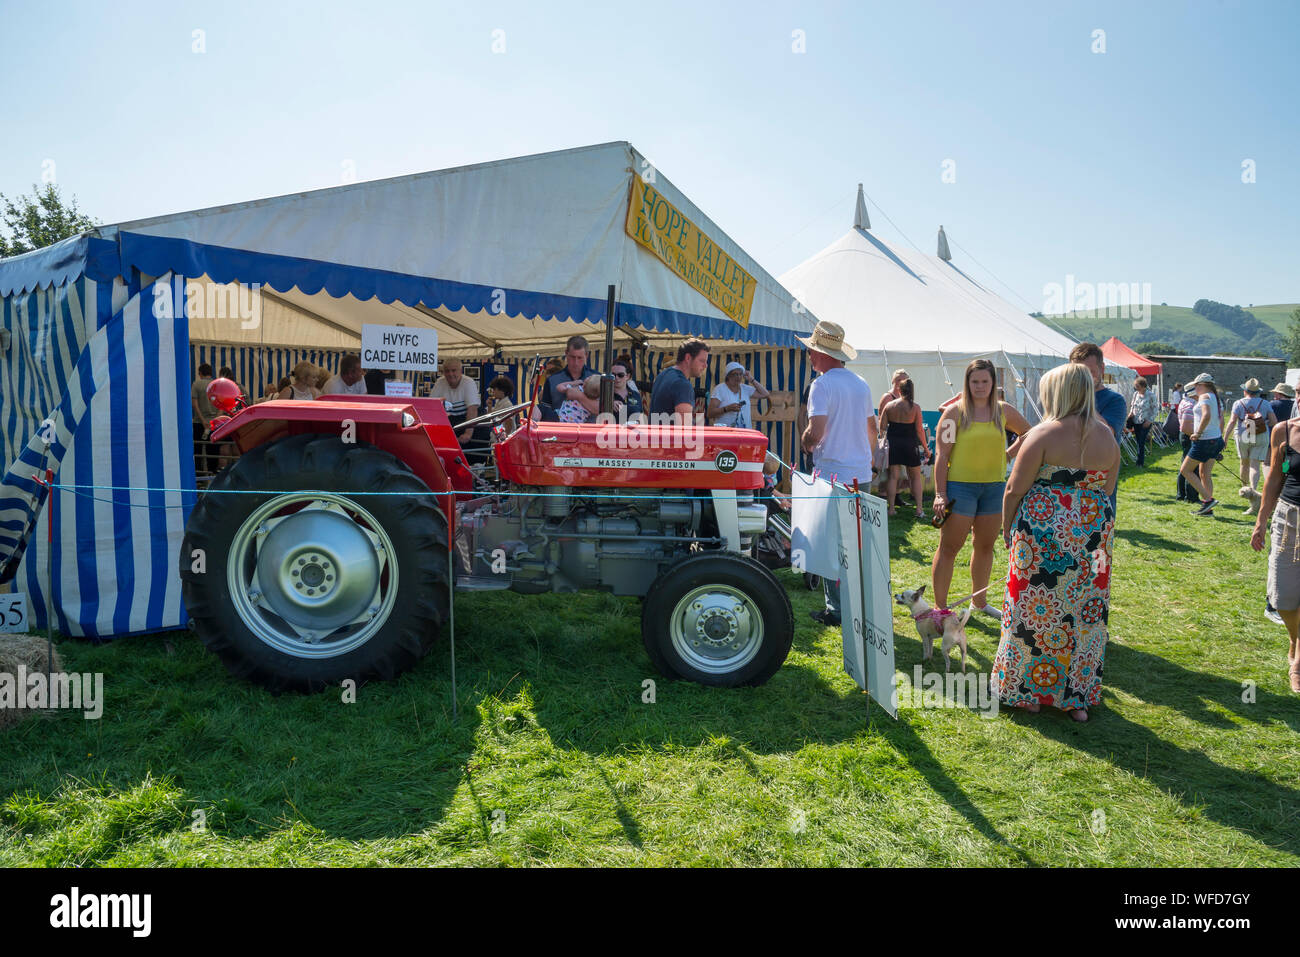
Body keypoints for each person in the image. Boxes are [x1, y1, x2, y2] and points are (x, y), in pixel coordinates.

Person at [992, 363, 1119, 722]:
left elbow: (1015, 488)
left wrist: (1006, 528)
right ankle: (1075, 697)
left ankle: (1027, 691)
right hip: (1094, 536)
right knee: (1083, 613)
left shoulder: (1043, 434)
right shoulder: (1107, 436)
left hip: (1043, 535)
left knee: (1032, 610)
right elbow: (1107, 488)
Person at [931, 359, 1032, 620]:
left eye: (984, 381)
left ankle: (980, 602)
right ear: (967, 383)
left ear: (992, 383)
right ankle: (940, 608)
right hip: (959, 489)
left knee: (985, 545)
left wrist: (1008, 456)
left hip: (994, 488)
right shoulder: (954, 413)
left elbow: (1028, 434)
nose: (979, 386)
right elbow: (941, 457)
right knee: (950, 547)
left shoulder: (1003, 411)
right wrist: (940, 494)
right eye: (974, 381)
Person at [798, 321, 876, 626]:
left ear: (820, 353)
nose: (809, 357)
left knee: (832, 544)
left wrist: (805, 442)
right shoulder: (861, 383)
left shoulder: (822, 385)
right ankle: (857, 605)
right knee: (856, 543)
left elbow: (815, 432)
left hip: (833, 474)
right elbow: (872, 429)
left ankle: (838, 610)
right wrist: (868, 460)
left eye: (811, 352)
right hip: (860, 473)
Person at [1251, 408, 1300, 691]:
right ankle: (1294, 639)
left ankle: (1298, 662)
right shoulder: (1283, 431)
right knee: (1282, 597)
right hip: (1288, 520)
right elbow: (1274, 479)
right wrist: (1261, 521)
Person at [880, 377, 928, 519]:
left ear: (899, 390)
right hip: (910, 445)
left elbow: (882, 428)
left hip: (893, 444)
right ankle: (919, 509)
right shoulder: (915, 407)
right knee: (916, 477)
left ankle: (891, 509)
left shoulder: (889, 406)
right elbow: (919, 430)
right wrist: (926, 447)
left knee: (893, 477)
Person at [1178, 372, 1226, 516]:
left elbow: (1206, 415)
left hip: (1204, 440)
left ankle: (1208, 500)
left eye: (1196, 385)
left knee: (1185, 470)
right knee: (1205, 474)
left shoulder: (1205, 397)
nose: (1195, 388)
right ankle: (1207, 509)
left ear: (1203, 385)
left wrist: (1197, 433)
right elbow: (1219, 418)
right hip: (1216, 438)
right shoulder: (1215, 398)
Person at [1225, 378, 1277, 497]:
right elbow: (1274, 421)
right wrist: (1262, 424)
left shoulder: (1238, 403)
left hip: (1243, 434)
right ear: (1258, 392)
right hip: (1260, 434)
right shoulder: (1265, 403)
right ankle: (1253, 490)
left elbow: (1232, 421)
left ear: (1245, 391)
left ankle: (1245, 488)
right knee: (1255, 464)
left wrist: (1225, 438)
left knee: (1244, 463)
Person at [535, 336, 595, 422]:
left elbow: (603, 410)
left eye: (580, 358)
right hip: (559, 432)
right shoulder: (552, 380)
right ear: (566, 353)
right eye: (572, 357)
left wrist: (579, 396)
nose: (576, 362)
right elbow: (544, 412)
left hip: (589, 433)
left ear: (586, 355)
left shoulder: (597, 379)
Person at [650, 338, 710, 423]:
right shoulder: (682, 385)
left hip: (656, 435)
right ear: (688, 358)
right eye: (702, 361)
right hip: (669, 436)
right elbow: (684, 428)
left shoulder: (663, 375)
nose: (705, 365)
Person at [431, 357, 481, 443]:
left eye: (454, 370)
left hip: (470, 423)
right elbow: (432, 407)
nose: (450, 374)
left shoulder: (468, 382)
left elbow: (472, 409)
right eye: (447, 371)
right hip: (451, 423)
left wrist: (468, 434)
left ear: (460, 371)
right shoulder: (439, 382)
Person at [708, 362, 769, 428]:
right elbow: (710, 413)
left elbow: (765, 394)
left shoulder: (745, 388)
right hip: (725, 433)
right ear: (728, 375)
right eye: (735, 374)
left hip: (745, 433)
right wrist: (727, 409)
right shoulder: (720, 389)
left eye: (740, 374)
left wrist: (751, 379)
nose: (738, 377)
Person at [191, 363, 218, 473]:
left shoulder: (196, 384)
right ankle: (212, 474)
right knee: (213, 451)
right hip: (214, 423)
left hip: (199, 422)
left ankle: (199, 475)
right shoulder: (216, 385)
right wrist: (215, 419)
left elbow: (195, 404)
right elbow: (220, 404)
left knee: (197, 450)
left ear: (200, 373)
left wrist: (202, 420)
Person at [1126, 376, 1159, 466]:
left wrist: (1149, 420)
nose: (1136, 387)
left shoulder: (1151, 395)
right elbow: (1133, 405)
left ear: (1143, 386)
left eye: (1137, 385)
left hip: (1145, 422)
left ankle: (1140, 462)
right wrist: (1130, 413)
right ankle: (1139, 460)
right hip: (1136, 420)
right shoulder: (1135, 394)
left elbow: (1155, 409)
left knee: (1141, 441)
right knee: (1138, 441)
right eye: (1135, 385)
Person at [1175, 384, 1198, 502]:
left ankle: (1181, 494)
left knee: (1185, 465)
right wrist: (1196, 437)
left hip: (1185, 436)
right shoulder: (1191, 405)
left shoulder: (1185, 401)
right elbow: (1185, 427)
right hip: (1189, 436)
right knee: (1192, 468)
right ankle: (1191, 496)